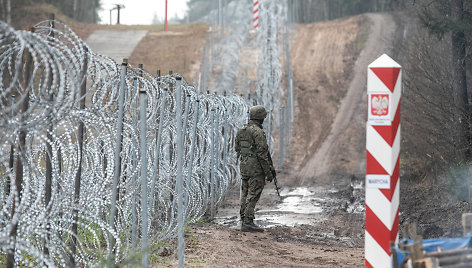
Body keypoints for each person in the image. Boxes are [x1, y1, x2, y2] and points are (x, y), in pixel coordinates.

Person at [235, 105, 275, 232]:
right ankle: (248, 221)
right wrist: (268, 172)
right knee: (253, 193)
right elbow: (262, 155)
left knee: (245, 193)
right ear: (261, 118)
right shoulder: (258, 132)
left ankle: (243, 218)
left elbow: (237, 148)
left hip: (244, 165)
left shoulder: (242, 129)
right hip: (255, 168)